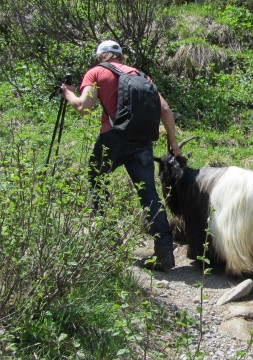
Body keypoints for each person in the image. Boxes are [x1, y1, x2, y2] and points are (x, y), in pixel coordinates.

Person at [61, 40, 181, 271]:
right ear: (121, 57)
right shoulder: (141, 76)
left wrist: (68, 94)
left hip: (112, 139)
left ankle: (109, 242)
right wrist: (173, 143)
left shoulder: (96, 72)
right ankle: (164, 253)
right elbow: (165, 110)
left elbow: (84, 107)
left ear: (100, 57)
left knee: (97, 181)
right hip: (142, 142)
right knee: (149, 195)